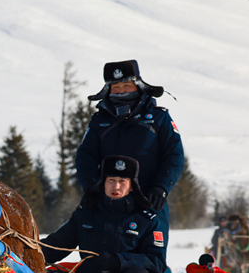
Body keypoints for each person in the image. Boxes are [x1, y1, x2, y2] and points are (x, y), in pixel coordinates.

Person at [41, 155, 169, 273]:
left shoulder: (147, 219)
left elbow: (156, 261)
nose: (116, 187)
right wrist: (27, 251)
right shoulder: (85, 214)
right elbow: (55, 245)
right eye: (111, 181)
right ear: (103, 183)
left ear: (132, 185)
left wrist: (118, 261)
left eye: (122, 181)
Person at [75, 60, 184, 257]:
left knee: (149, 263)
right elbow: (85, 155)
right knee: (96, 261)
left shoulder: (160, 119)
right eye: (116, 87)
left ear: (139, 85)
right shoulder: (99, 121)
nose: (121, 91)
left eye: (127, 85)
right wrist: (90, 186)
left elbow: (174, 156)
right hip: (108, 201)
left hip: (150, 201)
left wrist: (161, 189)